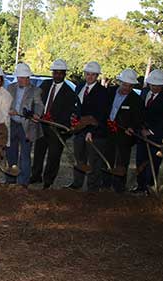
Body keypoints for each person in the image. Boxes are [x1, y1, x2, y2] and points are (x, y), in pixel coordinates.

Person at [31, 59, 78, 189]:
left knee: (54, 155)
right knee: (39, 152)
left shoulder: (69, 92)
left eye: (60, 73)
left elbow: (68, 113)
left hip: (56, 129)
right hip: (42, 125)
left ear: (64, 74)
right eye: (55, 73)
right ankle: (35, 176)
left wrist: (55, 121)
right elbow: (36, 101)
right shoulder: (45, 85)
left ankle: (48, 180)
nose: (57, 75)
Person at [95, 69, 143, 193]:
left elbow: (138, 118)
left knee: (122, 161)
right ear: (120, 82)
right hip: (108, 131)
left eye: (130, 86)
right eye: (125, 84)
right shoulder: (109, 92)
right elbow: (103, 109)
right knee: (107, 158)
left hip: (124, 135)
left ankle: (119, 187)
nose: (127, 88)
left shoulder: (136, 100)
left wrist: (132, 127)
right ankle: (105, 184)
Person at [66, 61, 108, 190]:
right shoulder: (80, 87)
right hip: (79, 129)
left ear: (97, 76)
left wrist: (91, 131)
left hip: (95, 132)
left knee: (94, 160)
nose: (89, 77)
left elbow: (101, 114)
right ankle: (77, 183)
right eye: (87, 74)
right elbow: (77, 106)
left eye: (92, 75)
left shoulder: (102, 92)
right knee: (79, 157)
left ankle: (92, 187)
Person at [133, 69, 163, 194]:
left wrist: (151, 131)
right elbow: (139, 111)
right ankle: (140, 186)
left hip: (157, 138)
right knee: (140, 161)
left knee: (153, 163)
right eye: (152, 85)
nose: (154, 87)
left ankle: (150, 187)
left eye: (157, 85)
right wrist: (140, 128)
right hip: (142, 135)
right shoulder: (144, 92)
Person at [6, 62, 44, 187]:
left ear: (28, 77)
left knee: (25, 156)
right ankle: (10, 179)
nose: (21, 80)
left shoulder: (35, 90)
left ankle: (23, 183)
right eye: (19, 77)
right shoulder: (11, 88)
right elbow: (5, 103)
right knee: (11, 153)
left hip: (27, 127)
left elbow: (39, 105)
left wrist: (37, 114)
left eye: (23, 77)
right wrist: (8, 110)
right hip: (12, 124)